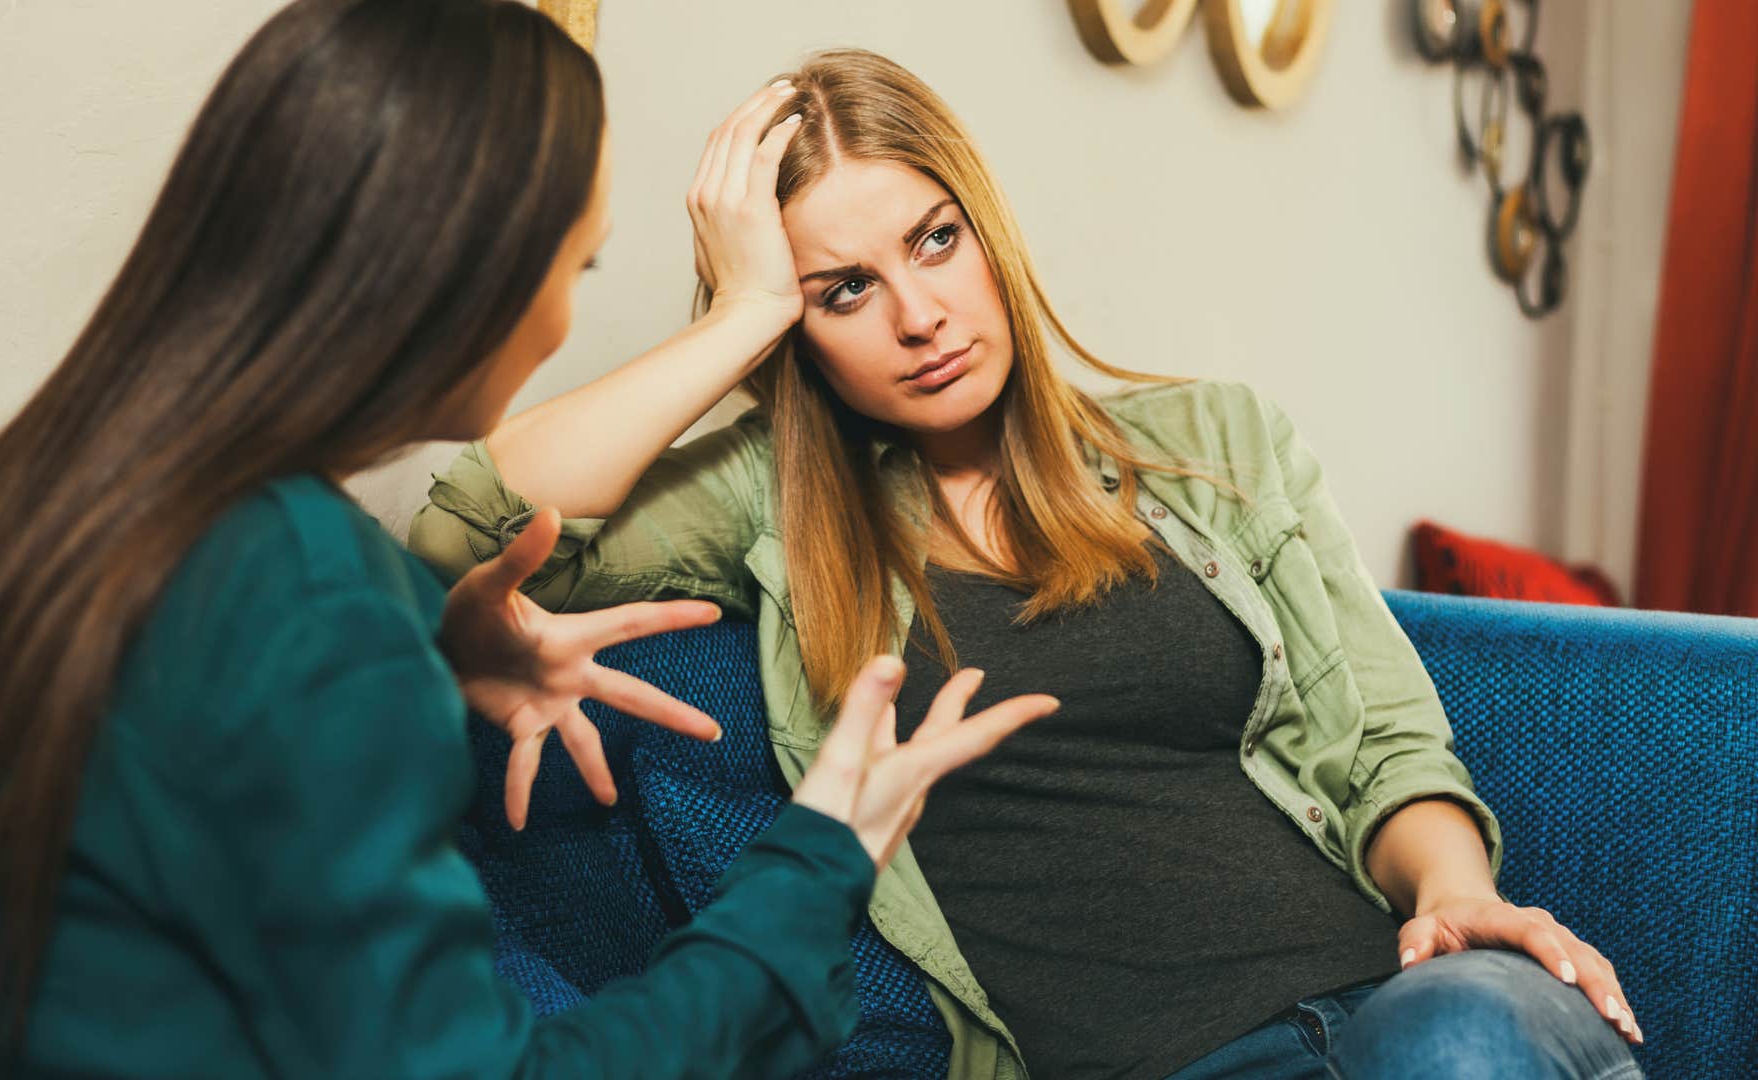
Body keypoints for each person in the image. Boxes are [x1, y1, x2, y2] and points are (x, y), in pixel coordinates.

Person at [0, 7, 1057, 1077]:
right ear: (466, 275)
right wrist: (818, 863)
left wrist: (433, 647)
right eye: (573, 265)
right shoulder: (316, 601)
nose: (564, 318)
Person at [409, 48, 1647, 1080]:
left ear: (985, 229)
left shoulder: (1217, 442)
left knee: (1463, 1032)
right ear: (802, 331)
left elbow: (1383, 745)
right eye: (844, 290)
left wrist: (1453, 891)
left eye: (935, 240)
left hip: (1412, 1020)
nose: (919, 314)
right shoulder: (777, 512)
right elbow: (468, 526)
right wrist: (741, 316)